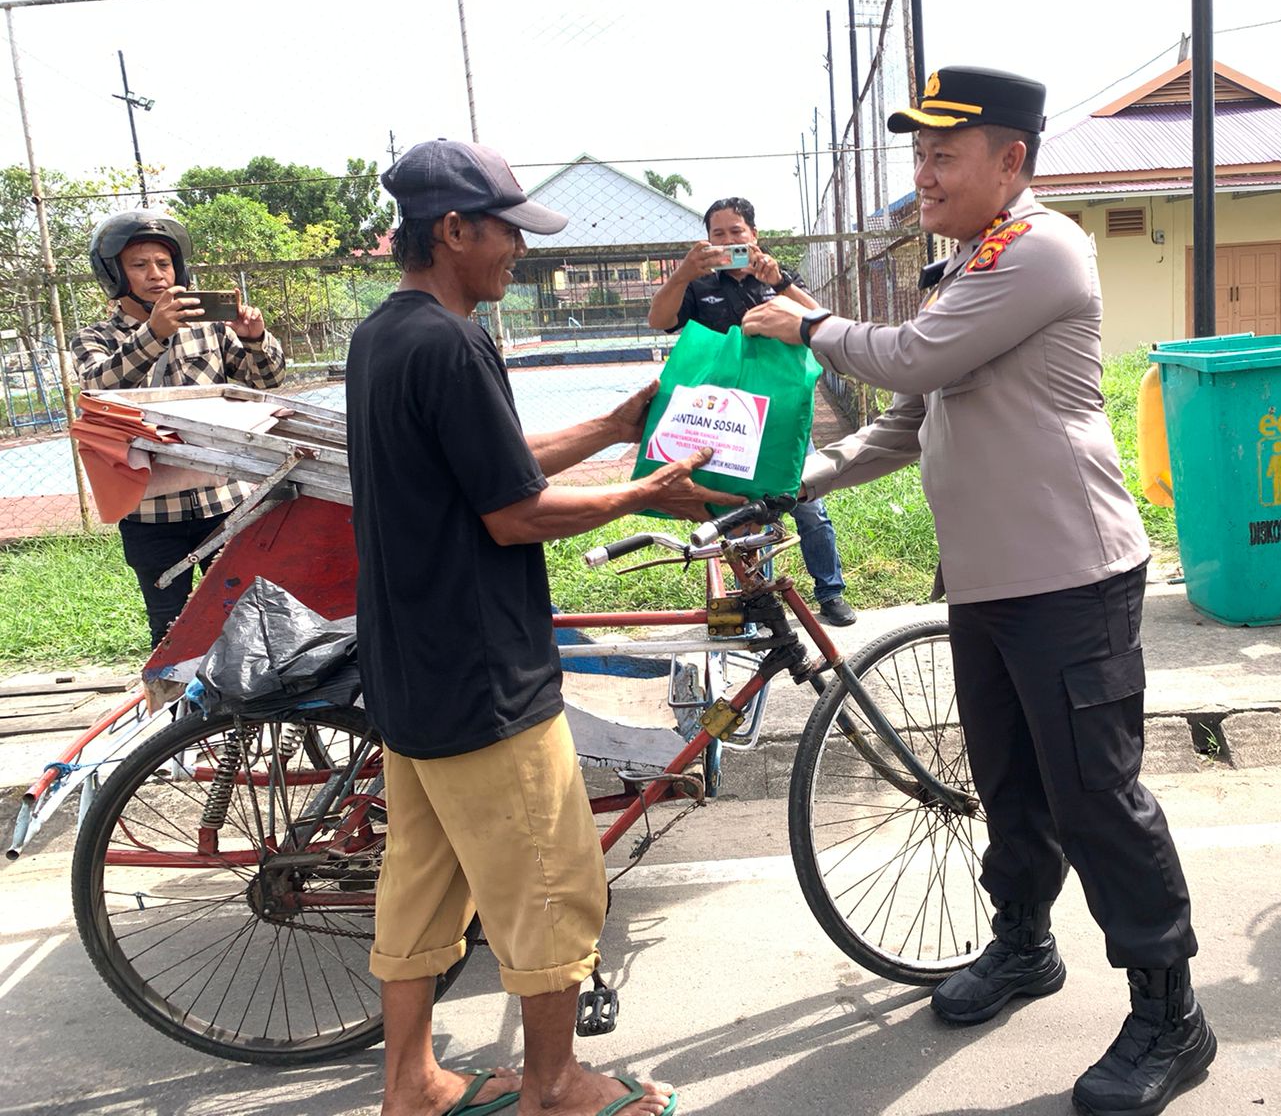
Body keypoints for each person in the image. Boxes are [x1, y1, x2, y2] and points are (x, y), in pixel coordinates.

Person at [744, 66, 1213, 1116]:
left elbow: (911, 360)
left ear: (1011, 160)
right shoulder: (968, 265)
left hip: (1071, 578)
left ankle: (1170, 1014)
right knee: (1009, 785)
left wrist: (810, 325)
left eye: (943, 156)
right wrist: (792, 482)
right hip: (991, 584)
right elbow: (909, 421)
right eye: (917, 156)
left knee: (1097, 799)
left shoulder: (1041, 249)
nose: (923, 175)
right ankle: (1023, 944)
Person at [348, 138, 734, 1116]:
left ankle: (411, 1083)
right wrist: (642, 493)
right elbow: (513, 513)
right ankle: (555, 1085)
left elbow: (493, 460)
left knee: (421, 881)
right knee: (552, 879)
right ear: (453, 229)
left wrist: (611, 428)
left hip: (409, 671)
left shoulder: (383, 335)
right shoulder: (454, 343)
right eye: (507, 233)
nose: (518, 252)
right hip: (484, 674)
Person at [72, 210, 286, 647]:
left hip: (225, 501)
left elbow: (268, 381)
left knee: (250, 621)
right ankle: (179, 692)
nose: (156, 274)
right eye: (139, 264)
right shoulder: (94, 339)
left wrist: (254, 338)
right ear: (115, 273)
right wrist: (153, 333)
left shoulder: (210, 329)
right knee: (169, 630)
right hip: (150, 512)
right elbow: (97, 388)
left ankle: (246, 695)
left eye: (164, 263)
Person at [646, 196, 857, 625]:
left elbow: (822, 321)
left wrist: (780, 282)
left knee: (808, 504)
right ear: (707, 241)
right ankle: (759, 599)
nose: (728, 241)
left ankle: (830, 592)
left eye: (736, 232)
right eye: (718, 234)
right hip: (726, 420)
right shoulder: (699, 287)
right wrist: (682, 274)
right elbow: (659, 320)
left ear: (753, 235)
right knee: (743, 514)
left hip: (782, 417)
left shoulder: (776, 279)